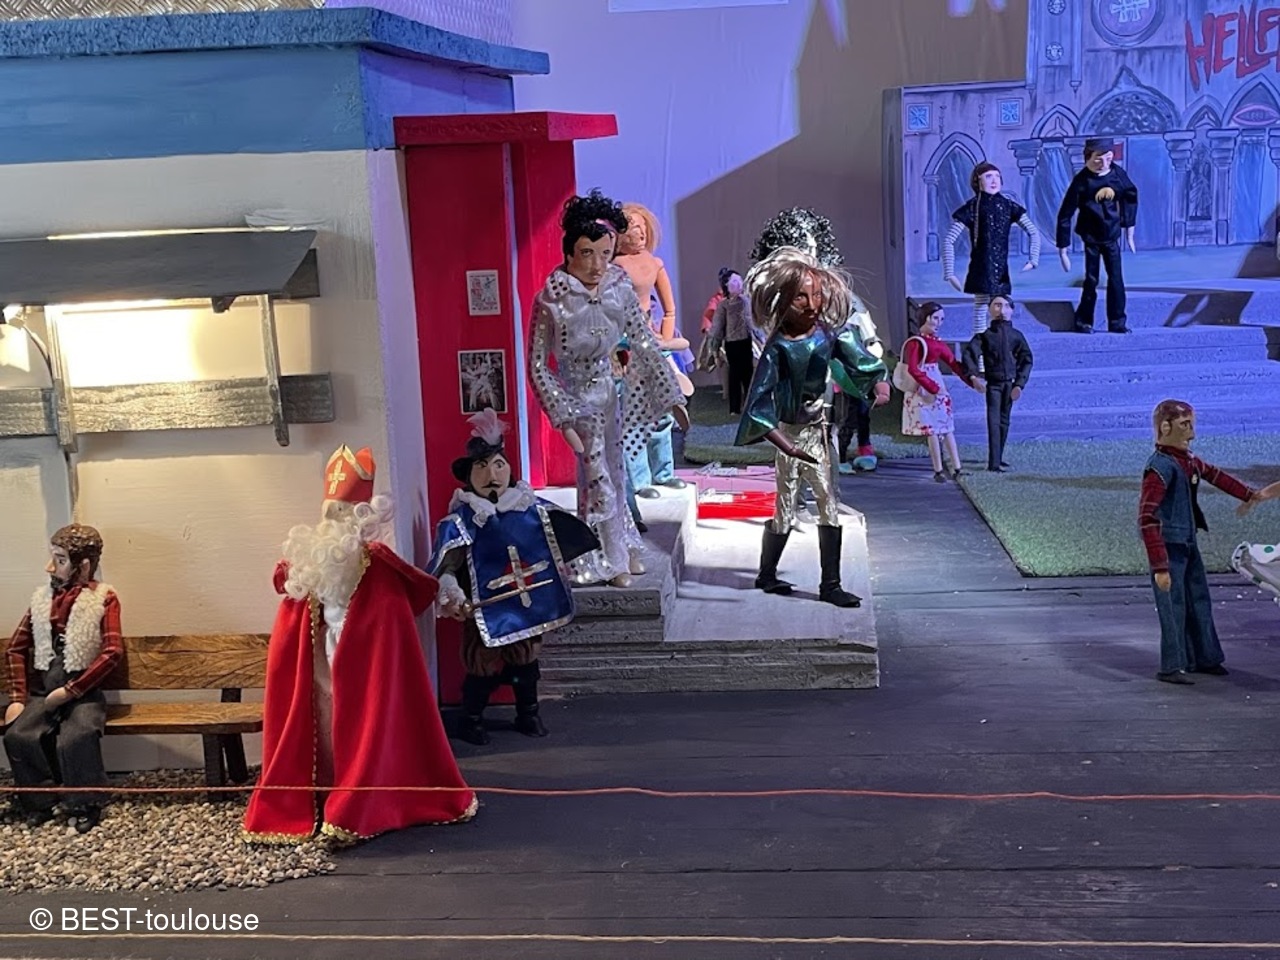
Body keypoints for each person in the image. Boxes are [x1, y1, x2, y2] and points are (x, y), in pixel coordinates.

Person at [243, 445, 477, 844]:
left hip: (365, 668)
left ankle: (360, 797)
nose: (333, 520)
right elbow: (293, 615)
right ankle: (325, 790)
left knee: (364, 721)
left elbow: (397, 614)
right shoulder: (306, 566)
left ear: (361, 517)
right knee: (323, 723)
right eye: (330, 512)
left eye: (342, 512)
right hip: (319, 663)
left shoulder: (378, 568)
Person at [528, 189, 688, 587]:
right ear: (569, 254)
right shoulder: (552, 300)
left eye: (604, 253)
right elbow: (537, 364)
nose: (597, 264)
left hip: (611, 392)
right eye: (587, 253)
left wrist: (671, 394)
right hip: (577, 398)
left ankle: (622, 545)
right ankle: (605, 558)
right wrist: (562, 414)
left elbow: (644, 342)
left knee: (615, 473)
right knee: (595, 474)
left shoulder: (618, 288)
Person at [430, 410, 599, 746]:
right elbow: (446, 565)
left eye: (498, 465)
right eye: (482, 467)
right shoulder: (461, 521)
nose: (491, 475)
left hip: (525, 607)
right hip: (483, 611)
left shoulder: (532, 510)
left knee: (525, 662)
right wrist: (451, 590)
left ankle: (528, 712)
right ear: (470, 475)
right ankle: (471, 718)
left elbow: (557, 544)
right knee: (480, 665)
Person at [735, 246, 890, 607]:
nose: (811, 304)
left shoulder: (828, 335)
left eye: (817, 295)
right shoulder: (778, 348)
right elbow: (756, 406)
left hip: (818, 433)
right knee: (785, 508)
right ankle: (767, 574)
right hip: (790, 434)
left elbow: (860, 361)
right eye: (801, 297)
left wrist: (878, 382)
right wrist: (786, 445)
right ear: (784, 299)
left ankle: (830, 584)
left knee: (827, 503)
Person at [1138, 401, 1269, 684]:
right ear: (1165, 427)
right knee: (1173, 607)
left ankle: (1205, 657)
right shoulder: (1159, 469)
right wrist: (1160, 566)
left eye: (1191, 425)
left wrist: (1248, 494)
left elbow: (1215, 475)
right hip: (1170, 548)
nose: (1192, 433)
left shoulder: (1188, 461)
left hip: (1188, 542)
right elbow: (1147, 518)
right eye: (1185, 425)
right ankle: (1172, 665)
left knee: (1199, 599)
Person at [4, 524, 121, 833]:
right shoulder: (41, 600)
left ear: (83, 566)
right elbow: (16, 648)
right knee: (19, 735)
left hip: (83, 691)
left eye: (60, 560)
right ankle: (38, 801)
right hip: (45, 691)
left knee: (78, 736)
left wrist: (72, 690)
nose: (50, 567)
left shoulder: (103, 599)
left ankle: (85, 802)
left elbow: (112, 652)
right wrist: (17, 698)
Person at [943, 161, 1040, 339]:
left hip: (1001, 271)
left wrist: (1033, 259)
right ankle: (980, 353)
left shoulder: (1009, 206)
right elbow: (949, 239)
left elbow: (1033, 232)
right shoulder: (973, 207)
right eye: (988, 176)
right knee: (980, 313)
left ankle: (1001, 349)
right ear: (978, 181)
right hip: (981, 269)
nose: (994, 181)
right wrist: (949, 272)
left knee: (1003, 312)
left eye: (997, 176)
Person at [1056, 137, 1138, 335]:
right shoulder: (1082, 181)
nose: (1103, 164)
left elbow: (1130, 196)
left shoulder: (1117, 175)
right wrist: (1063, 249)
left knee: (1116, 278)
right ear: (1087, 158)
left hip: (1111, 235)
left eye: (1108, 159)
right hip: (1090, 236)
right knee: (1091, 279)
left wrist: (1129, 229)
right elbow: (1066, 213)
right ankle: (1084, 321)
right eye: (1098, 159)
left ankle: (1117, 321)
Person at [900, 302, 983, 482]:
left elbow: (954, 364)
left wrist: (972, 380)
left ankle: (957, 467)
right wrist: (933, 387)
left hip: (936, 385)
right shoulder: (915, 343)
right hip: (923, 388)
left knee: (946, 428)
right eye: (935, 318)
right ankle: (938, 470)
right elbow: (913, 369)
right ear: (925, 318)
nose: (939, 323)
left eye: (941, 319)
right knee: (932, 431)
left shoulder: (937, 343)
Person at [962, 295, 1033, 472]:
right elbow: (969, 354)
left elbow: (1026, 360)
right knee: (993, 422)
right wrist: (973, 377)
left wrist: (1019, 384)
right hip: (993, 385)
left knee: (1004, 421)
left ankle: (998, 458)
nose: (1001, 310)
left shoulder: (1016, 336)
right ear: (989, 309)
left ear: (1012, 310)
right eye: (997, 305)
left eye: (1006, 306)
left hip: (1010, 385)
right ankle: (994, 463)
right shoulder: (985, 336)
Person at [706, 270, 756, 415]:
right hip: (732, 343)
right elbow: (718, 326)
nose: (738, 284)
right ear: (726, 286)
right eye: (734, 282)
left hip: (746, 341)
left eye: (739, 281)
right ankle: (734, 407)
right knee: (734, 374)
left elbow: (752, 322)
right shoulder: (724, 305)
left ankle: (749, 405)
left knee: (748, 374)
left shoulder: (746, 301)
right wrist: (714, 346)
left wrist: (760, 338)